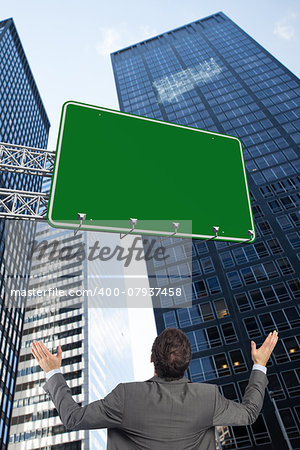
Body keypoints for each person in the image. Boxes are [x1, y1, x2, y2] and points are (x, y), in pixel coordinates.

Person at [31, 328, 278, 450]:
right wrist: (260, 365)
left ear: (152, 359)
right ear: (187, 364)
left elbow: (73, 418)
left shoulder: (126, 397)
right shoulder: (208, 398)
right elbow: (248, 414)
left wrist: (53, 371)